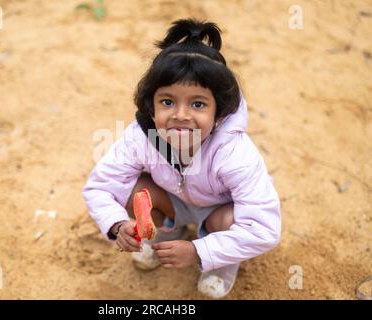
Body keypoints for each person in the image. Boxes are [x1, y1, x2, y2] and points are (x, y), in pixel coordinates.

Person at [82, 18, 281, 299]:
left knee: (233, 221)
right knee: (129, 189)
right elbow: (100, 187)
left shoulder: (234, 152)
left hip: (217, 211)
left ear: (220, 112)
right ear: (150, 106)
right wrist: (116, 225)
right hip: (172, 202)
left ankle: (221, 261)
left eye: (198, 104)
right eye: (167, 101)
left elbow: (265, 229)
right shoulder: (140, 137)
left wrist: (200, 251)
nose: (181, 115)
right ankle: (167, 232)